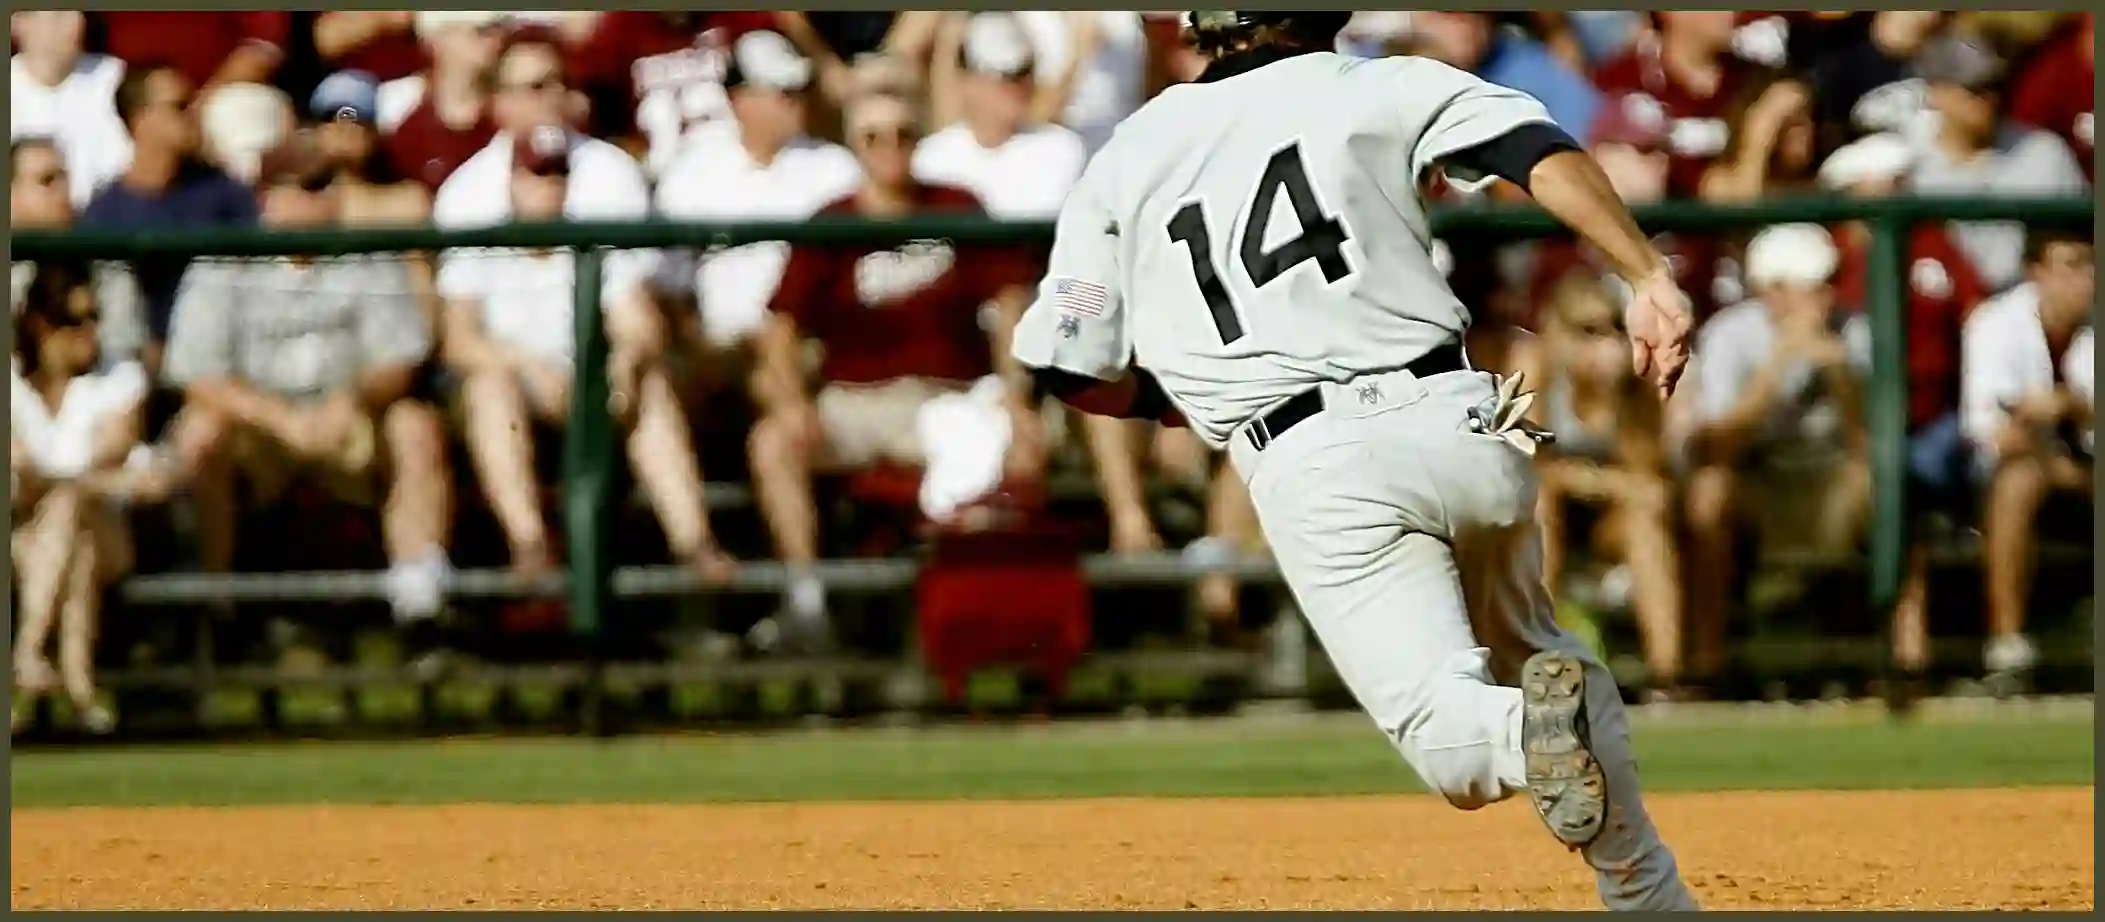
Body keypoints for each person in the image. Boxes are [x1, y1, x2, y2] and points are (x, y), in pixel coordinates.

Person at [1008, 12, 1697, 910]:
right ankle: (1648, 892)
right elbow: (1533, 145)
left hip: (1313, 457)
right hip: (1465, 417)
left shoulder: (1128, 153)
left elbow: (1067, 363)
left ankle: (1521, 730)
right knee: (1538, 648)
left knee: (1459, 741)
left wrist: (1181, 402)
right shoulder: (1382, 83)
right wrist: (1644, 273)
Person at [746, 91, 1043, 653]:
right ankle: (807, 600)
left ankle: (985, 629)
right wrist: (791, 403)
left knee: (1018, 448)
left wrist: (1016, 393)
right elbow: (779, 327)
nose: (890, 149)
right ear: (855, 147)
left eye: (903, 134)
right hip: (854, 401)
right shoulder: (832, 223)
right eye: (874, 137)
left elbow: (1010, 303)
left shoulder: (956, 206)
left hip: (948, 397)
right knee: (773, 442)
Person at [164, 139, 456, 647]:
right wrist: (279, 418)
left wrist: (350, 401)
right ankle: (216, 607)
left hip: (347, 420)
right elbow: (197, 374)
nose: (323, 198)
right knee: (199, 431)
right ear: (266, 197)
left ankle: (420, 611)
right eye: (307, 187)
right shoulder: (224, 259)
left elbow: (400, 360)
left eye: (328, 184)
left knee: (415, 424)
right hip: (260, 429)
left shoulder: (367, 253)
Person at [440, 126, 734, 581]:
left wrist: (622, 362)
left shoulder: (592, 237)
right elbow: (458, 340)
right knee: (488, 390)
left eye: (558, 175)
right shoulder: (484, 240)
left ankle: (694, 542)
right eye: (536, 175)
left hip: (590, 380)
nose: (548, 187)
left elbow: (638, 323)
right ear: (513, 181)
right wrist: (524, 365)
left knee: (649, 384)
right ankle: (529, 542)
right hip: (519, 383)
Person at [9, 261, 176, 736]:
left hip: (109, 537)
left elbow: (128, 459)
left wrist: (65, 484)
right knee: (72, 547)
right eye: (75, 320)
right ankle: (81, 691)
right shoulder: (12, 384)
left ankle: (24, 655)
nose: (90, 332)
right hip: (34, 540)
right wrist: (72, 482)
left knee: (68, 505)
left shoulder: (115, 380)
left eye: (95, 317)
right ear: (41, 325)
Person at [1531, 273, 1685, 699]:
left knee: (1645, 523)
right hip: (1543, 516)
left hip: (1606, 524)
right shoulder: (1535, 372)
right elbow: (1530, 466)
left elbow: (1650, 482)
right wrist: (1595, 480)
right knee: (1541, 503)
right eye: (1587, 330)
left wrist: (1613, 395)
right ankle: (1534, 660)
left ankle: (1667, 677)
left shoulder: (1635, 384)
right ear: (1556, 330)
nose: (1604, 342)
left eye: (1613, 328)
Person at [1960, 227, 2095, 694]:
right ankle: (2008, 648)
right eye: (2072, 264)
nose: (2087, 278)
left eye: (2092, 264)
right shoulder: (1995, 323)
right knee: (2018, 480)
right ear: (2036, 272)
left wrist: (2073, 406)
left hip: (2086, 473)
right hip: (2015, 475)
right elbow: (1988, 433)